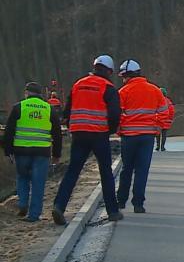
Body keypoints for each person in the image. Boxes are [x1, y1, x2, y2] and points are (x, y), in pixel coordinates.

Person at [53, 55, 123, 225]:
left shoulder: (78, 84)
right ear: (108, 71)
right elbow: (115, 114)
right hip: (99, 134)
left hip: (78, 134)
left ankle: (59, 206)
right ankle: (112, 211)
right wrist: (111, 130)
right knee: (105, 173)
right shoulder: (108, 87)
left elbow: (67, 111)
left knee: (73, 171)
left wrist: (72, 125)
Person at [3, 82, 63, 222]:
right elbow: (57, 133)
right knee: (38, 182)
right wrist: (57, 154)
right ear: (40, 94)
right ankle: (34, 215)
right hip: (42, 152)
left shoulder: (19, 107)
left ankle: (23, 204)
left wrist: (8, 150)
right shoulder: (49, 109)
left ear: (26, 93)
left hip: (21, 150)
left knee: (22, 177)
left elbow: (9, 131)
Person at [116, 59, 167, 213]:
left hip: (129, 137)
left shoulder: (123, 92)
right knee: (142, 170)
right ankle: (138, 204)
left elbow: (117, 114)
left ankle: (121, 201)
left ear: (127, 76)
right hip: (147, 137)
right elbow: (164, 111)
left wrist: (120, 129)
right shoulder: (155, 90)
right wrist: (158, 127)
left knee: (127, 169)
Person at [156, 87, 175, 151]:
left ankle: (157, 146)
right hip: (167, 120)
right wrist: (170, 119)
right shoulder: (169, 101)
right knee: (164, 134)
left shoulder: (157, 100)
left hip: (159, 120)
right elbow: (172, 110)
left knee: (158, 133)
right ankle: (162, 147)